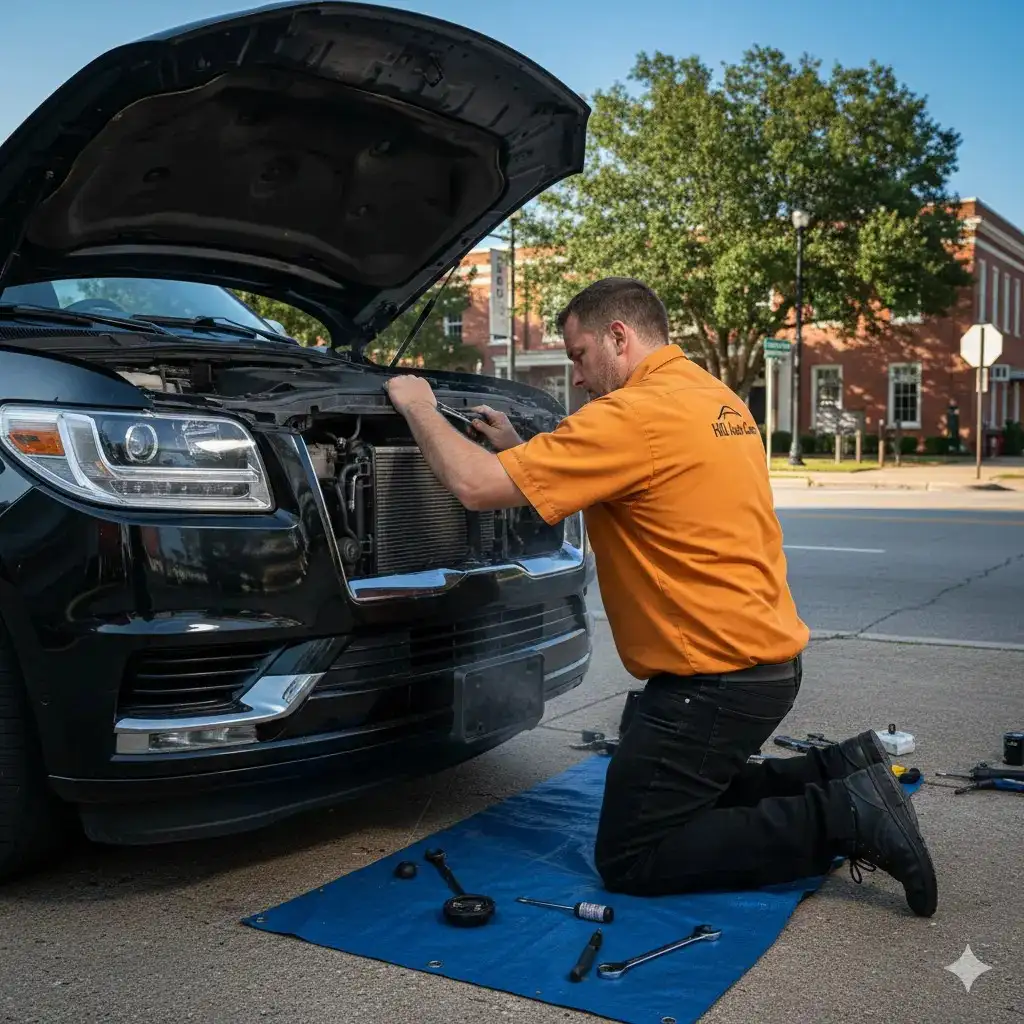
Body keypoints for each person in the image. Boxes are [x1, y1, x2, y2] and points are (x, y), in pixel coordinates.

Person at [384, 276, 937, 917]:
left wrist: (418, 404)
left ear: (619, 336)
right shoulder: (712, 398)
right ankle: (845, 769)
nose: (580, 377)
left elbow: (477, 487)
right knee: (694, 786)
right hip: (763, 665)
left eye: (579, 354)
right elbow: (633, 485)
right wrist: (521, 451)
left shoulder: (631, 416)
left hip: (711, 684)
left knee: (634, 853)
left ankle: (845, 814)